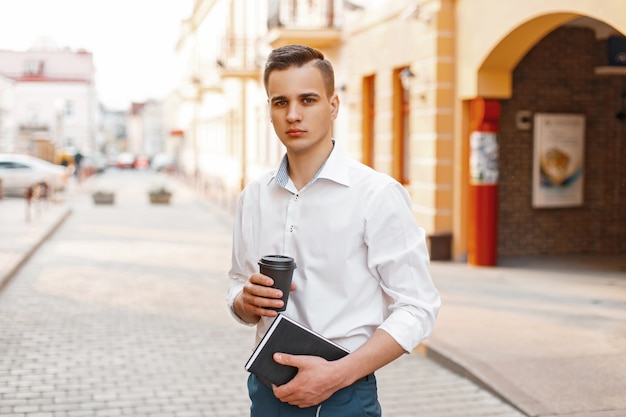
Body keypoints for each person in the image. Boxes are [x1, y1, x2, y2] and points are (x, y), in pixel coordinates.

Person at [227, 44, 441, 416]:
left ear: (333, 105)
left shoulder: (377, 195)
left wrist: (337, 375)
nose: (293, 114)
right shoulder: (252, 197)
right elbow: (235, 284)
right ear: (270, 110)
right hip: (266, 393)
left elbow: (417, 308)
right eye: (280, 102)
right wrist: (244, 302)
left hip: (343, 397)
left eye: (307, 99)